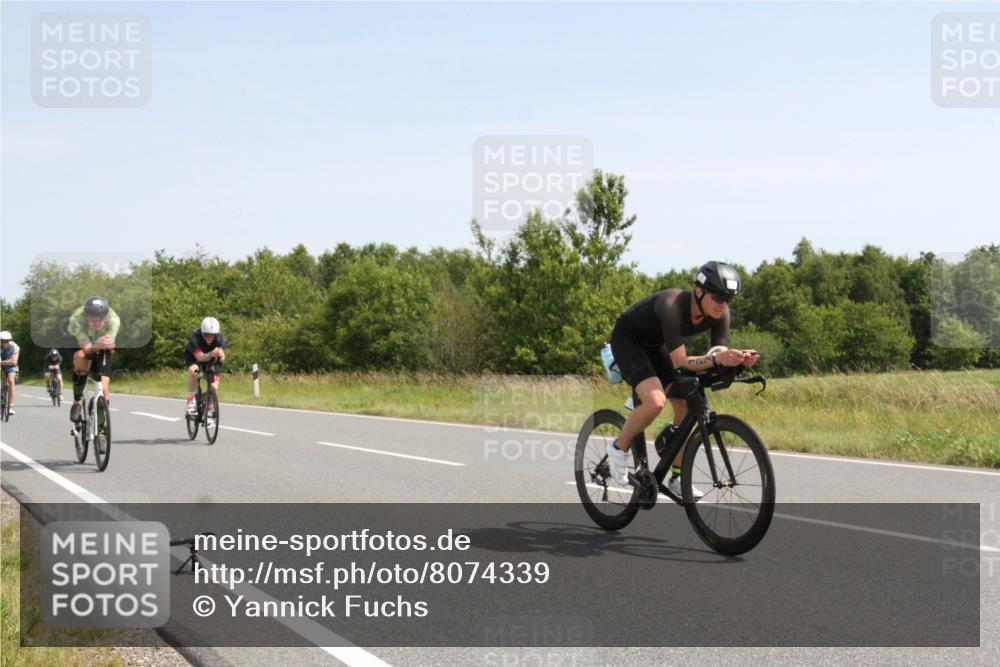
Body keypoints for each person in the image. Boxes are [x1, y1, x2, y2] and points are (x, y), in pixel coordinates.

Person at [606, 261, 759, 497]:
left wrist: (736, 359)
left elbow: (713, 357)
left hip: (655, 346)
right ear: (699, 291)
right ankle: (618, 448)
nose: (723, 305)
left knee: (687, 406)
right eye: (719, 297)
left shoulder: (720, 314)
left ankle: (677, 476)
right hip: (628, 341)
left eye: (729, 299)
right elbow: (681, 363)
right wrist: (720, 360)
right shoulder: (672, 306)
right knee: (656, 402)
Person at [67, 296, 120, 422]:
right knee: (81, 358)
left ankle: (101, 427)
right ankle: (77, 402)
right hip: (79, 342)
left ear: (106, 316)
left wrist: (108, 344)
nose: (97, 321)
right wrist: (95, 347)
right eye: (92, 318)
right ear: (86, 315)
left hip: (100, 343)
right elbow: (86, 349)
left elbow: (109, 343)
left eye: (100, 318)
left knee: (105, 389)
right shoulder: (76, 319)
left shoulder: (114, 319)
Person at [185, 317, 227, 415]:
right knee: (194, 371)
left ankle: (208, 402)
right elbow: (200, 357)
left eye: (212, 335)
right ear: (202, 332)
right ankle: (191, 401)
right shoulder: (194, 337)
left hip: (211, 358)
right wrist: (211, 353)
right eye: (207, 335)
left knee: (214, 387)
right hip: (194, 357)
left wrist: (221, 355)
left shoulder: (221, 339)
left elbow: (222, 359)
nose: (210, 338)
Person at [0, 331, 20, 415]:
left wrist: (4, 362)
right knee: (4, 385)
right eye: (4, 341)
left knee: (11, 381)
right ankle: (1, 399)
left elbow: (14, 362)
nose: (6, 343)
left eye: (8, 341)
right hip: (3, 366)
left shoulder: (15, 347)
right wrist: (7, 361)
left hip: (11, 367)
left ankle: (11, 406)